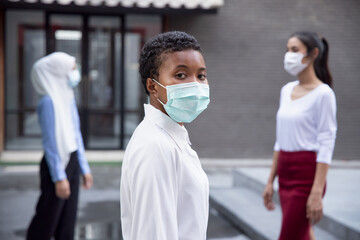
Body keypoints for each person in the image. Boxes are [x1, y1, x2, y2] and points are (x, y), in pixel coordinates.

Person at [120, 31, 210, 240]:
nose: (195, 85)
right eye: (180, 75)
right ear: (153, 86)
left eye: (201, 75)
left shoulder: (172, 137)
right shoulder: (155, 147)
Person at [263, 31, 337, 240]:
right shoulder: (286, 90)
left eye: (294, 50)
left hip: (306, 176)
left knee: (289, 235)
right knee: (303, 234)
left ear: (313, 54)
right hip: (285, 173)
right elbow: (280, 140)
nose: (289, 55)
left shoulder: (324, 94)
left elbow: (326, 142)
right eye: (287, 49)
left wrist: (317, 191)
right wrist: (270, 181)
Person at [27, 52, 93, 240]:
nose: (75, 73)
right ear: (57, 72)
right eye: (72, 69)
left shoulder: (68, 97)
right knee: (46, 222)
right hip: (56, 166)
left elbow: (75, 134)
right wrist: (59, 177)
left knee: (67, 223)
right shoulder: (48, 102)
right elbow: (51, 143)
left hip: (71, 161)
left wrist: (84, 168)